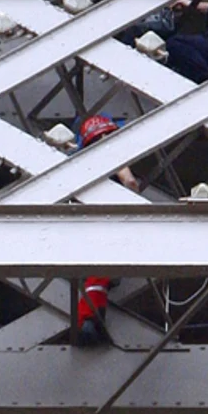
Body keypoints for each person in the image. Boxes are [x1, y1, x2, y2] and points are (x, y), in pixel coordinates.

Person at [71, 114, 142, 346]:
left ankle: (89, 320)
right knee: (99, 274)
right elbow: (130, 183)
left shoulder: (84, 160)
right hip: (111, 223)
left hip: (86, 221)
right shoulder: (114, 157)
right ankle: (90, 320)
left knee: (97, 275)